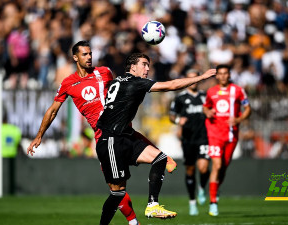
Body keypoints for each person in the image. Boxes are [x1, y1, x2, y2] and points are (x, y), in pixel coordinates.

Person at [27, 41, 142, 225]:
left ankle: (138, 218)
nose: (89, 57)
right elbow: (53, 110)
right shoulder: (68, 83)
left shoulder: (105, 72)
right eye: (84, 54)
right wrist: (39, 135)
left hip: (119, 133)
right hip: (102, 139)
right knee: (116, 189)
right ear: (75, 57)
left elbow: (120, 93)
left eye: (90, 53)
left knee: (120, 187)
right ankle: (134, 221)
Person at [95, 53, 216, 224]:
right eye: (144, 64)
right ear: (132, 67)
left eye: (148, 65)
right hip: (111, 141)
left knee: (160, 158)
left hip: (124, 136)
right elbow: (172, 85)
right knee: (118, 193)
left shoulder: (118, 81)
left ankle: (153, 205)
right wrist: (202, 77)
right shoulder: (135, 82)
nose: (147, 68)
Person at [203, 64, 251, 216]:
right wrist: (207, 111)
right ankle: (213, 203)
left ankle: (215, 189)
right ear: (216, 76)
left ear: (229, 75)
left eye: (225, 73)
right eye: (220, 73)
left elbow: (248, 108)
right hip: (215, 133)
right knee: (216, 165)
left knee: (223, 166)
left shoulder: (238, 90)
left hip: (231, 135)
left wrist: (239, 119)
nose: (223, 76)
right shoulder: (211, 92)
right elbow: (206, 107)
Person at [169, 69, 210, 216]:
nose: (194, 81)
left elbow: (213, 112)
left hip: (204, 137)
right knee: (191, 170)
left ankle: (202, 187)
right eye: (190, 78)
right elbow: (172, 116)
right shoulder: (180, 98)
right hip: (188, 139)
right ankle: (192, 202)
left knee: (204, 168)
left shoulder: (206, 96)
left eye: (196, 78)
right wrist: (179, 120)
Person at [1, 114, 22, 195]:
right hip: (13, 157)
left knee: (1, 178)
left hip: (1, 157)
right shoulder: (15, 129)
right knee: (11, 178)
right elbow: (18, 144)